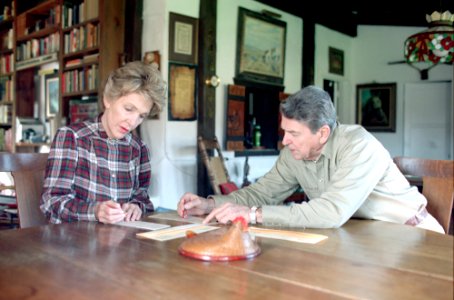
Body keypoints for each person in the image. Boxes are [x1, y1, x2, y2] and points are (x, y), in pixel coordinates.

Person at [177, 85, 444, 234]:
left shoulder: (360, 146)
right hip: (361, 236)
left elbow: (331, 211)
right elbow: (261, 194)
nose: (284, 141)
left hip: (414, 235)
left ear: (323, 132)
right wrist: (210, 204)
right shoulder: (294, 153)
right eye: (284, 131)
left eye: (293, 133)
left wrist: (253, 215)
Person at [41, 61, 166, 224]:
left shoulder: (139, 149)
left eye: (142, 115)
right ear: (108, 99)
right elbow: (52, 203)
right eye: (128, 109)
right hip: (73, 243)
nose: (133, 121)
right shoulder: (72, 138)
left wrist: (137, 207)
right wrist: (95, 211)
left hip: (120, 243)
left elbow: (142, 199)